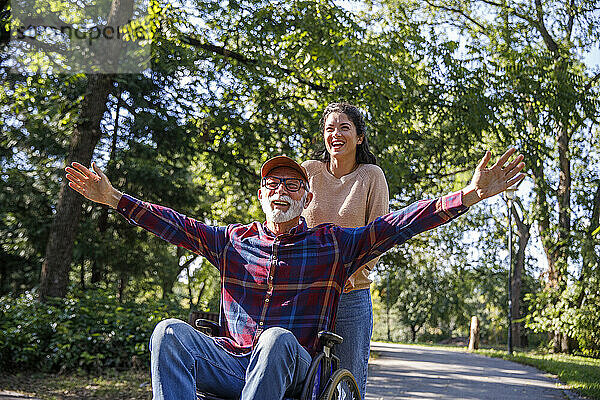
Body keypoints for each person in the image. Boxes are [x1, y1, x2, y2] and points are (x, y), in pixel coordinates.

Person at [64, 150, 524, 400]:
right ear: (260, 196)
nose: (280, 191)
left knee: (276, 339)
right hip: (232, 363)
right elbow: (175, 224)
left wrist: (467, 195)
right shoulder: (231, 241)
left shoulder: (332, 245)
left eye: (291, 186)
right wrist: (115, 199)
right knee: (168, 333)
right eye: (271, 186)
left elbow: (399, 223)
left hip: (294, 369)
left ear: (306, 199)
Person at [301, 102, 388, 398]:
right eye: (329, 128)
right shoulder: (309, 172)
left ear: (359, 137)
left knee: (348, 386)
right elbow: (290, 225)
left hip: (351, 297)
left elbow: (379, 236)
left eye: (344, 127)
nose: (335, 134)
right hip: (308, 294)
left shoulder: (371, 176)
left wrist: (353, 272)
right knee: (304, 381)